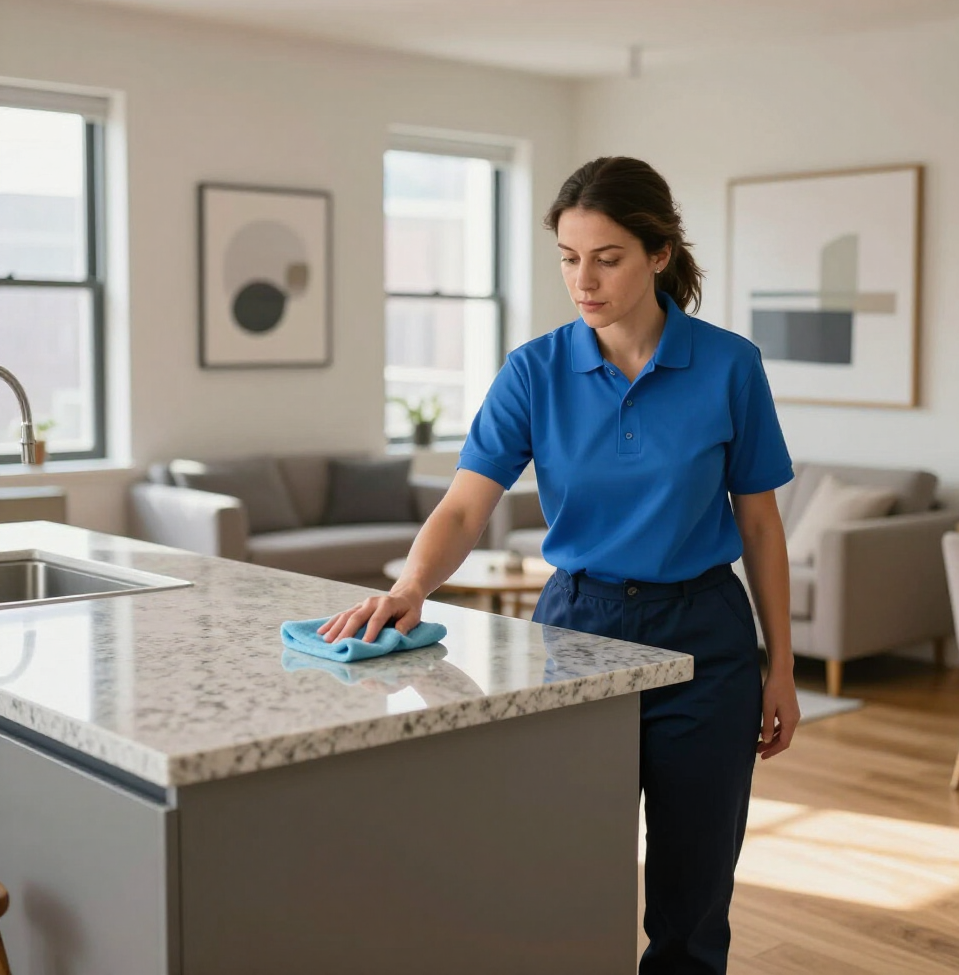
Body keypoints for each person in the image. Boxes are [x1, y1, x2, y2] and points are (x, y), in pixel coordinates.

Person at [319, 156, 800, 975]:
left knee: (694, 886)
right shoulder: (534, 370)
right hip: (579, 626)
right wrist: (409, 588)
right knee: (564, 864)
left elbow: (759, 522)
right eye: (570, 258)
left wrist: (780, 667)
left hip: (706, 641)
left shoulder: (729, 365)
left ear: (658, 254)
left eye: (607, 257)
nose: (584, 279)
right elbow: (466, 505)